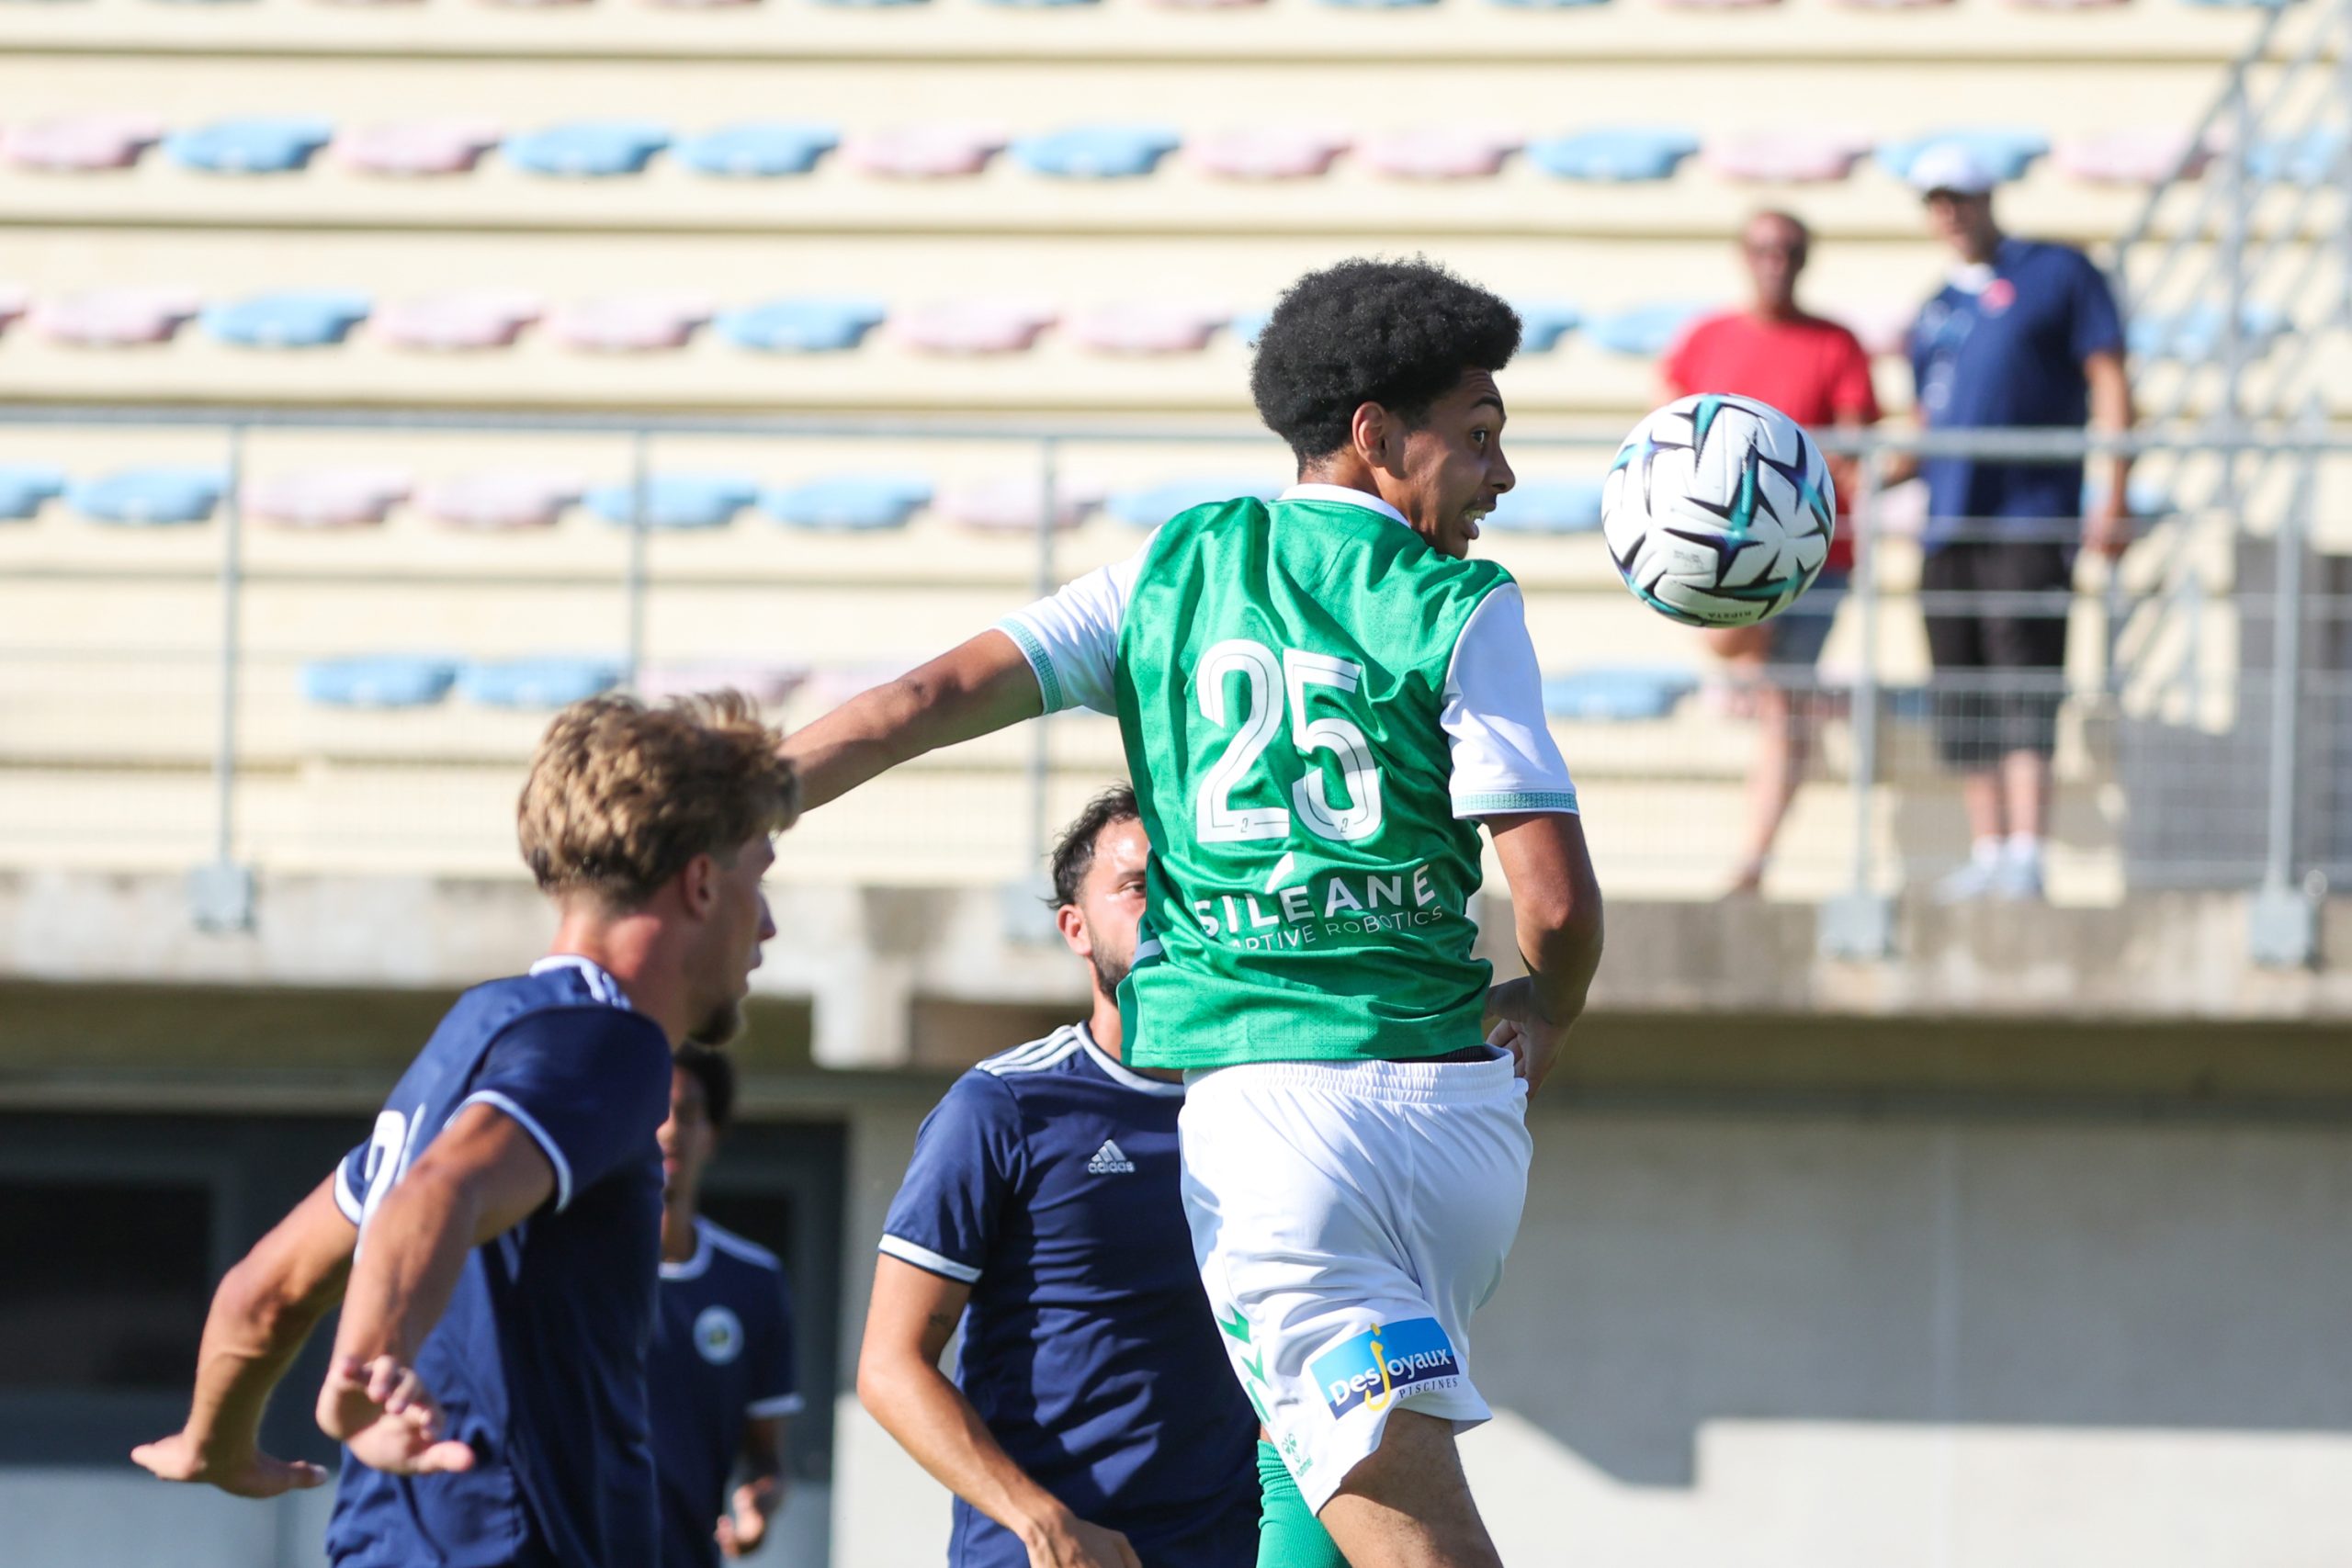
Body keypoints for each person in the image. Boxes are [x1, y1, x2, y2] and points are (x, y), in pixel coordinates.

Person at [786, 257, 1605, 1568]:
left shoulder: (1170, 573)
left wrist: (759, 793)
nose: (1500, 478)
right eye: (1483, 436)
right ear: (1375, 435)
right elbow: (1553, 904)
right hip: (1461, 1126)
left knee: (1403, 1526)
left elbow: (925, 696)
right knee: (1320, 1491)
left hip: (1283, 1134)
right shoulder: (1465, 603)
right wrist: (1550, 1005)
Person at [132, 692, 797, 1568]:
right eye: (761, 875)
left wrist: (212, 1441)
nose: (770, 922)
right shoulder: (611, 1045)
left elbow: (265, 1290)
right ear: (704, 882)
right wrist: (370, 1363)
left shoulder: (477, 1039)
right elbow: (439, 1193)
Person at [857, 786, 1261, 1568]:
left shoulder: (1265, 1104)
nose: (1171, 908)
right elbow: (888, 1364)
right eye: (1140, 886)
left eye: (1192, 883)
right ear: (1074, 927)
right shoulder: (1002, 1106)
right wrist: (1040, 1520)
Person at [1905, 142, 2133, 903]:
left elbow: (2108, 376)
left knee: (2025, 678)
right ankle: (1991, 846)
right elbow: (1925, 421)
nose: (1950, 212)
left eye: (1960, 196)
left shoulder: (2057, 273)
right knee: (1963, 686)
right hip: (1947, 524)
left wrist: (2117, 487)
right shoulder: (1936, 308)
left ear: (1988, 197)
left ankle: (2029, 850)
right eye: (1937, 200)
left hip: (2027, 517)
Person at [1660, 209, 1883, 896]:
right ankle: (1757, 840)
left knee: (1783, 702)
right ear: (1743, 254)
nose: (1775, 259)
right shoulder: (1707, 337)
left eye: (1788, 248)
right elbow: (1669, 434)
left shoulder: (1836, 343)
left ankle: (1754, 858)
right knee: (1765, 685)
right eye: (1763, 246)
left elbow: (1854, 447)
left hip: (1815, 556)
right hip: (1725, 554)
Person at [651, 1043, 802, 1567]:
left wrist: (763, 1499)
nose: (670, 1128)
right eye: (653, 1111)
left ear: (710, 1135)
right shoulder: (573, 1273)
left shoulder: (753, 1281)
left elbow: (764, 1452)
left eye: (688, 1114)